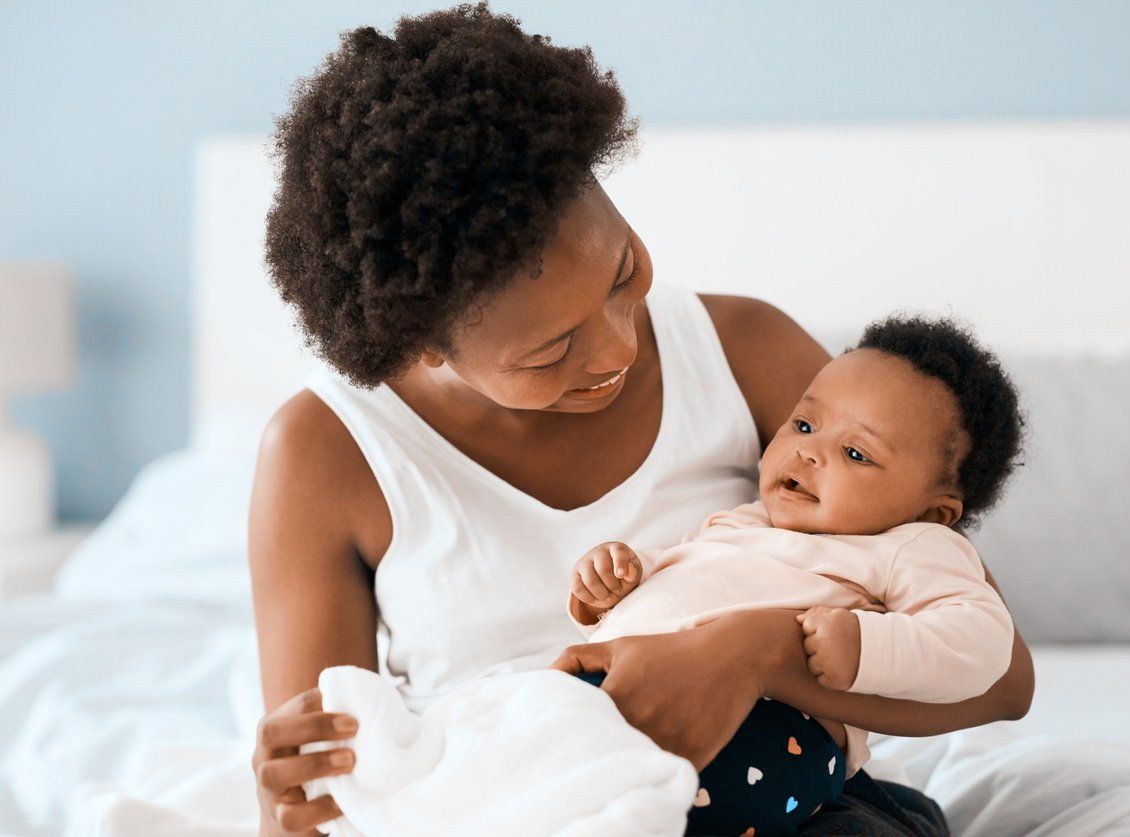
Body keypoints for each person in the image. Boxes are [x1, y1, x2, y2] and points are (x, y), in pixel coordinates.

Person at [247, 6, 1035, 835]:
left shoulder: (744, 350)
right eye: (551, 351)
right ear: (422, 343)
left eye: (624, 272)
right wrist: (285, 800)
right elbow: (327, 787)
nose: (618, 347)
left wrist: (755, 653)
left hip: (788, 806)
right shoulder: (325, 453)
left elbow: (1001, 675)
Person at [565, 315, 1024, 835]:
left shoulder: (910, 545)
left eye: (856, 453)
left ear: (931, 513)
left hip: (766, 729)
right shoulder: (743, 520)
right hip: (607, 691)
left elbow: (983, 642)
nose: (808, 450)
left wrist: (863, 645)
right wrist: (618, 580)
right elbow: (685, 575)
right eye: (804, 425)